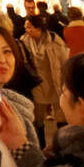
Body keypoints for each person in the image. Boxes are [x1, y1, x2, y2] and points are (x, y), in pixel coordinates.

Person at [20, 15, 69, 148]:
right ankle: (40, 145)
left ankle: (62, 143)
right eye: (26, 27)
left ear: (38, 28)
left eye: (29, 26)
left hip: (54, 81)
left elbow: (64, 60)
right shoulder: (24, 41)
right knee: (37, 116)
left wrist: (66, 78)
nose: (26, 29)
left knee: (61, 113)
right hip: (37, 83)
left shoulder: (53, 40)